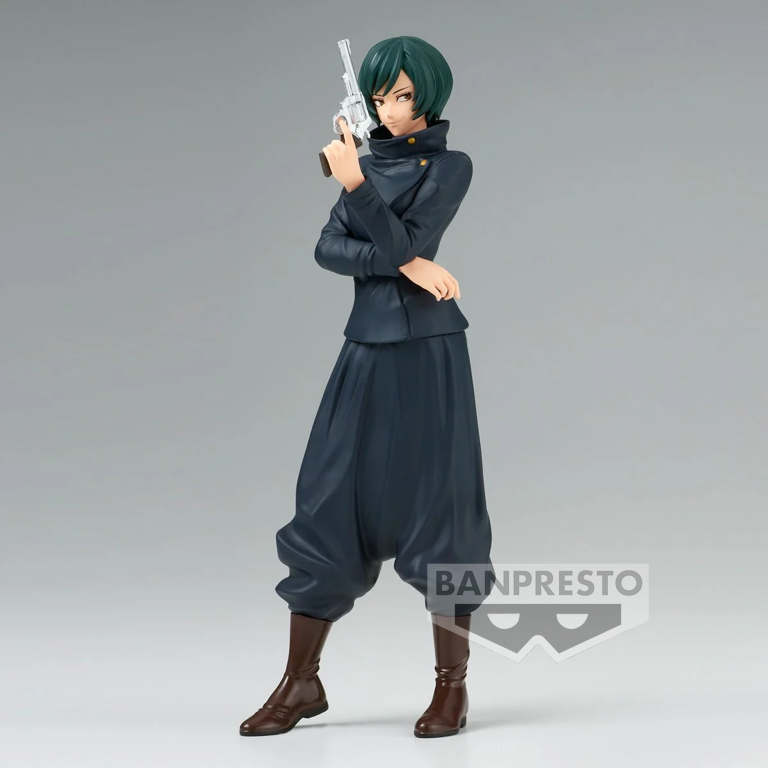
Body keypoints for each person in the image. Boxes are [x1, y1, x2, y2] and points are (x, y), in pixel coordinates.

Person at [240, 35, 493, 739]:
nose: (388, 109)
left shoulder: (450, 167)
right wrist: (408, 263)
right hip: (365, 346)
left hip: (429, 352)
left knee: (443, 509)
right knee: (326, 501)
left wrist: (359, 191)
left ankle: (451, 688)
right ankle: (301, 681)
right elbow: (328, 249)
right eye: (380, 97)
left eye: (401, 95)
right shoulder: (367, 159)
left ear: (428, 97)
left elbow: (392, 239)